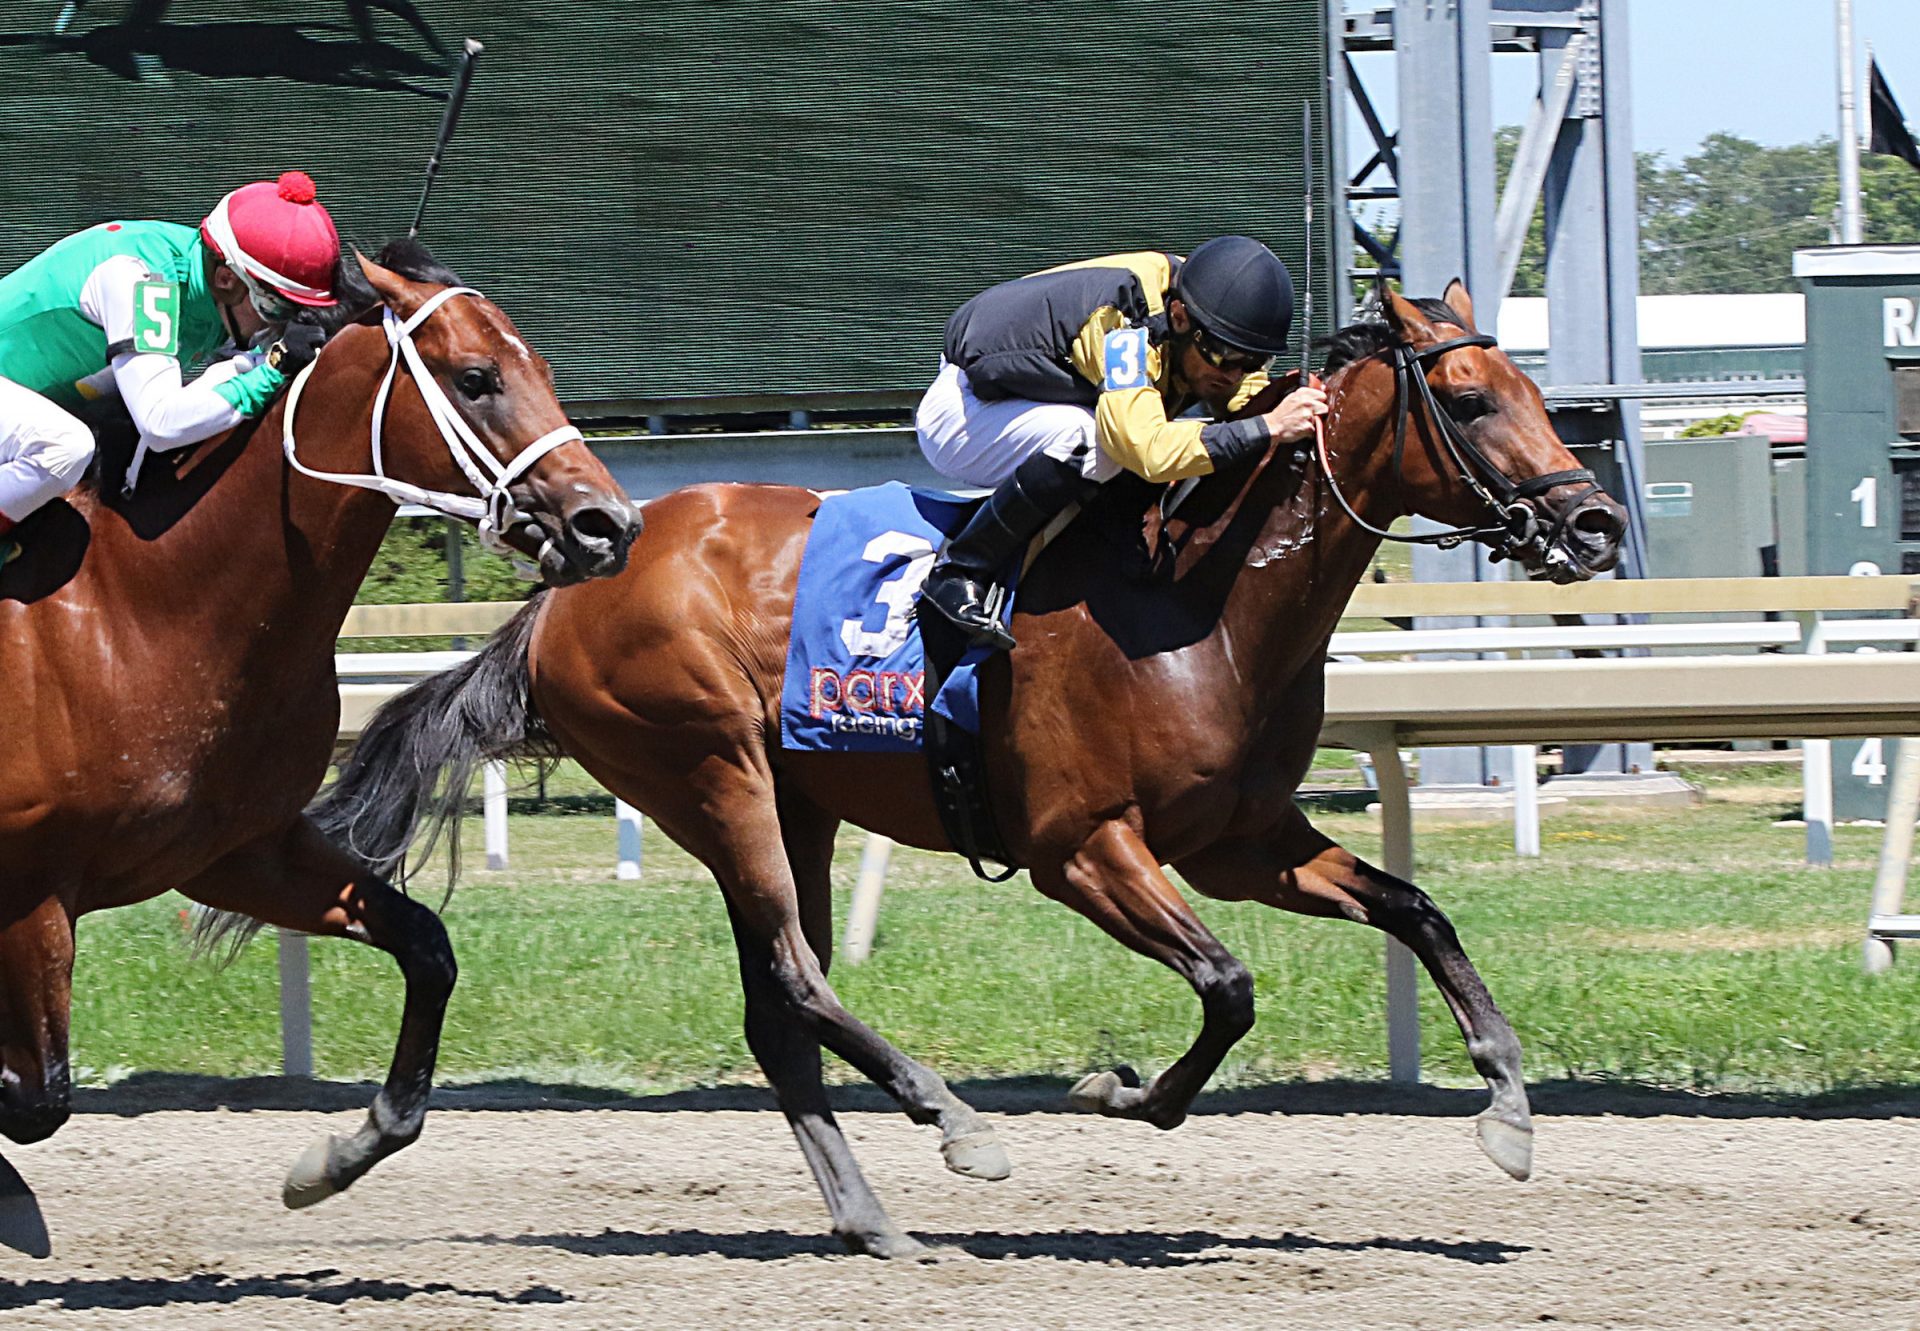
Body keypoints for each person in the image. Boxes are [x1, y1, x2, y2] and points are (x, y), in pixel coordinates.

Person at [913, 235, 1329, 651]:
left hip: (1025, 400)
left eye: (1252, 361)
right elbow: (1146, 448)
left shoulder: (1207, 306)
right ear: (1180, 317)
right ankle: (958, 572)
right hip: (964, 412)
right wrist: (1268, 426)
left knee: (1116, 434)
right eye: (1223, 356)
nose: (1234, 375)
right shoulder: (1123, 326)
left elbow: (1240, 394)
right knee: (1094, 440)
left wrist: (1280, 398)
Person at [0, 171, 339, 564]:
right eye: (274, 308)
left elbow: (214, 387)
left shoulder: (206, 290)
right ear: (226, 278)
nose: (277, 327)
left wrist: (261, 365)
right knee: (65, 446)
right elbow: (161, 424)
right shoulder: (146, 281)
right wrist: (273, 367)